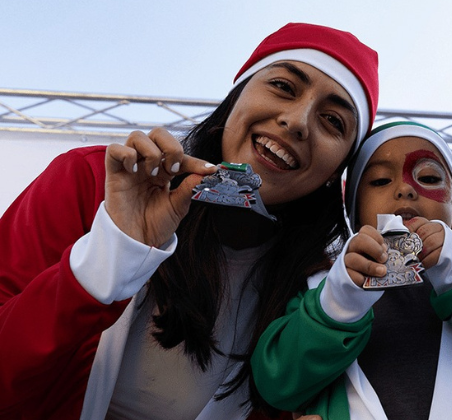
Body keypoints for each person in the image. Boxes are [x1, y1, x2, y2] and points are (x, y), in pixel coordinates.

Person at [0, 22, 379, 420]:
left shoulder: (320, 290)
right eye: (283, 86)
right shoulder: (96, 183)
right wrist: (108, 258)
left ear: (337, 171)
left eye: (334, 121)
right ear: (237, 97)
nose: (298, 121)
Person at [250, 121, 452, 419]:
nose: (404, 190)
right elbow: (277, 382)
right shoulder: (321, 290)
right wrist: (338, 303)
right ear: (356, 216)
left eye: (428, 178)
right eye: (380, 181)